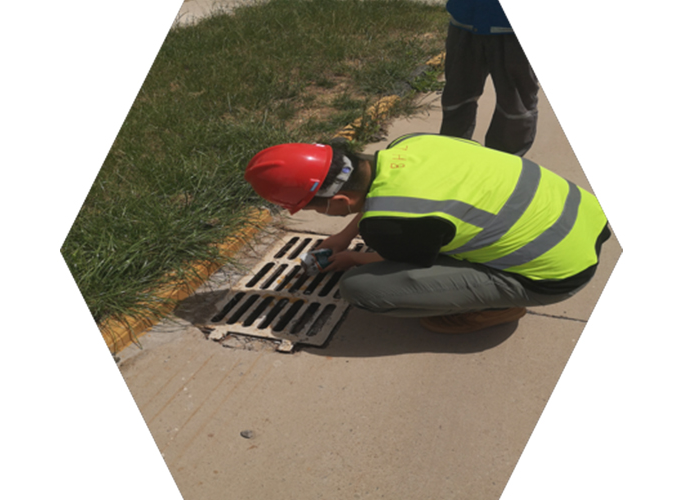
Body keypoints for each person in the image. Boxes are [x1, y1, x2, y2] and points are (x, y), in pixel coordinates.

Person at [244, 134, 610, 334]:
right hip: (586, 217)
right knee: (448, 228)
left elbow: (398, 252)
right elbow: (382, 192)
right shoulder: (410, 144)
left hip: (556, 276)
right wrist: (343, 235)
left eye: (310, 208)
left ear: (339, 201)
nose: (313, 213)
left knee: (361, 289)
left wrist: (352, 257)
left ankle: (496, 308)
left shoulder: (387, 226)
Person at [440, 0, 539, 156]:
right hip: (464, 18)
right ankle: (451, 155)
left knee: (515, 106)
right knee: (456, 97)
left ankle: (503, 162)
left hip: (512, 32)